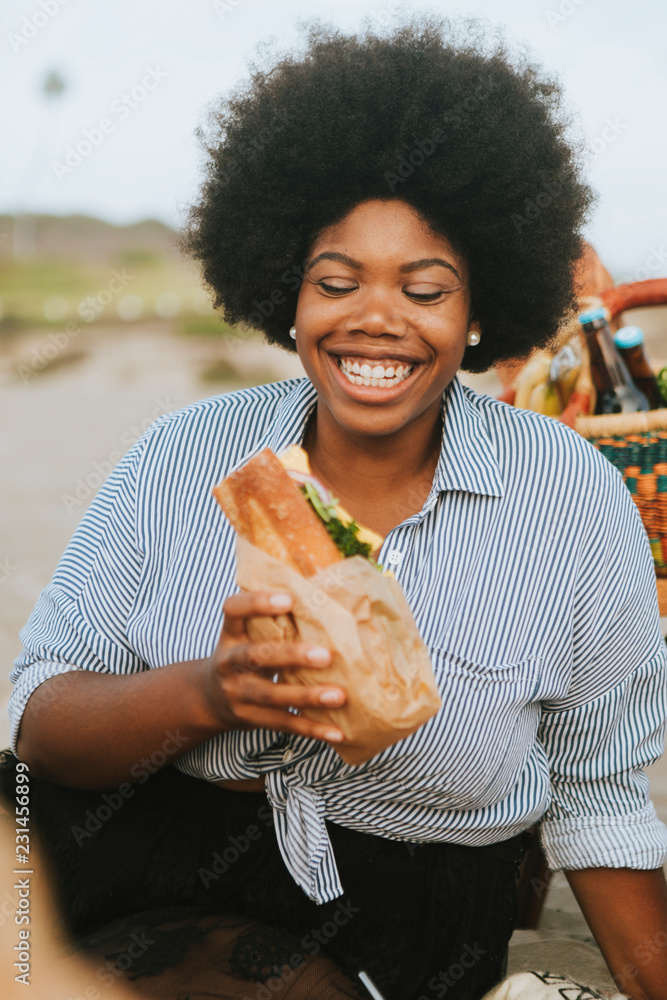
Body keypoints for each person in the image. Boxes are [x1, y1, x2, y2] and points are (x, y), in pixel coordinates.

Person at [6, 16, 667, 1000]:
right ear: (288, 293)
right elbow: (39, 723)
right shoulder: (182, 455)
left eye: (425, 288)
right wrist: (212, 694)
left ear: (479, 308)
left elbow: (601, 793)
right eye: (336, 280)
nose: (374, 317)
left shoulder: (568, 498)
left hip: (398, 903)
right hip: (139, 845)